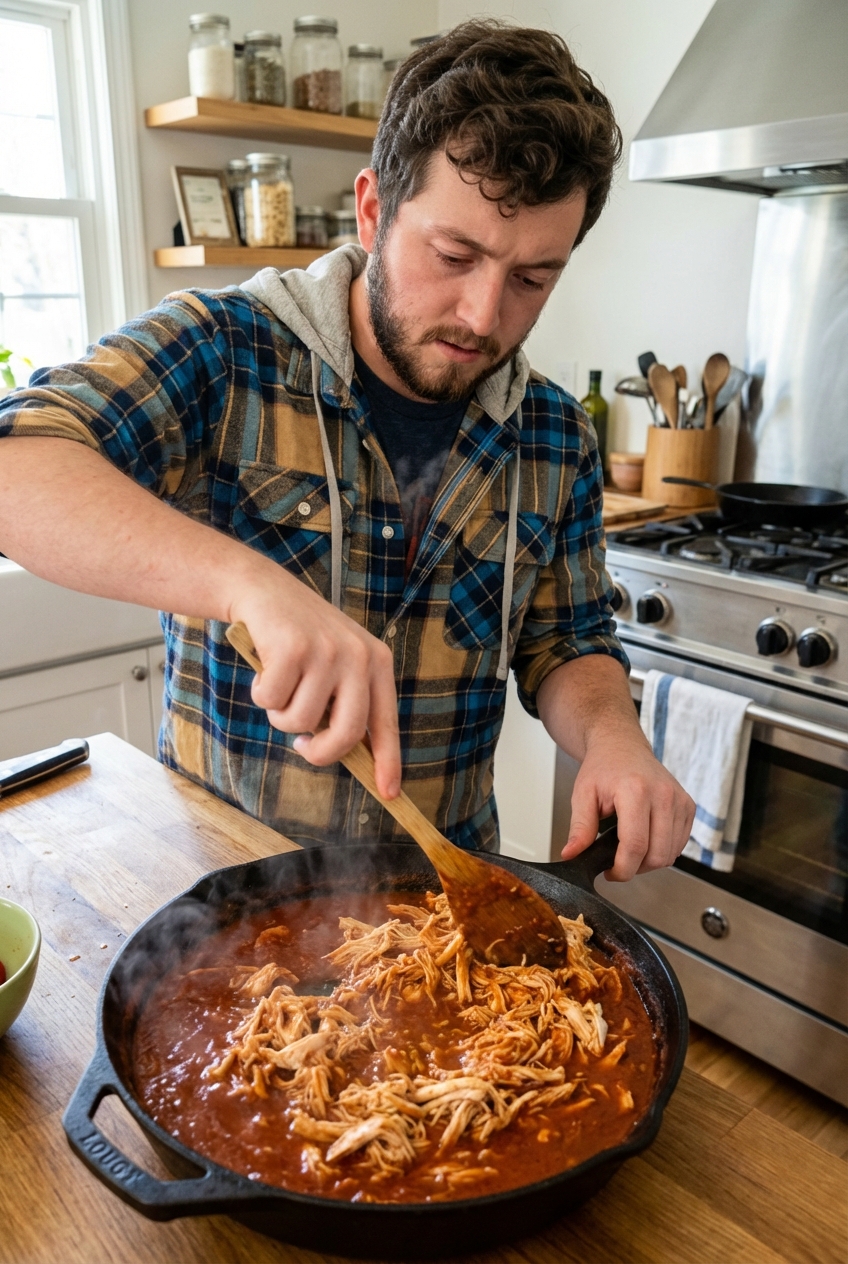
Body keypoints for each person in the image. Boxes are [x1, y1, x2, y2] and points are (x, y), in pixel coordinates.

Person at [0, 21, 694, 876]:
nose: (483, 316)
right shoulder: (225, 351)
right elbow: (15, 464)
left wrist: (615, 737)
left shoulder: (557, 436)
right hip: (225, 891)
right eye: (453, 254)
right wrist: (246, 584)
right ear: (372, 210)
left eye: (530, 280)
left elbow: (570, 641)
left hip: (443, 899)